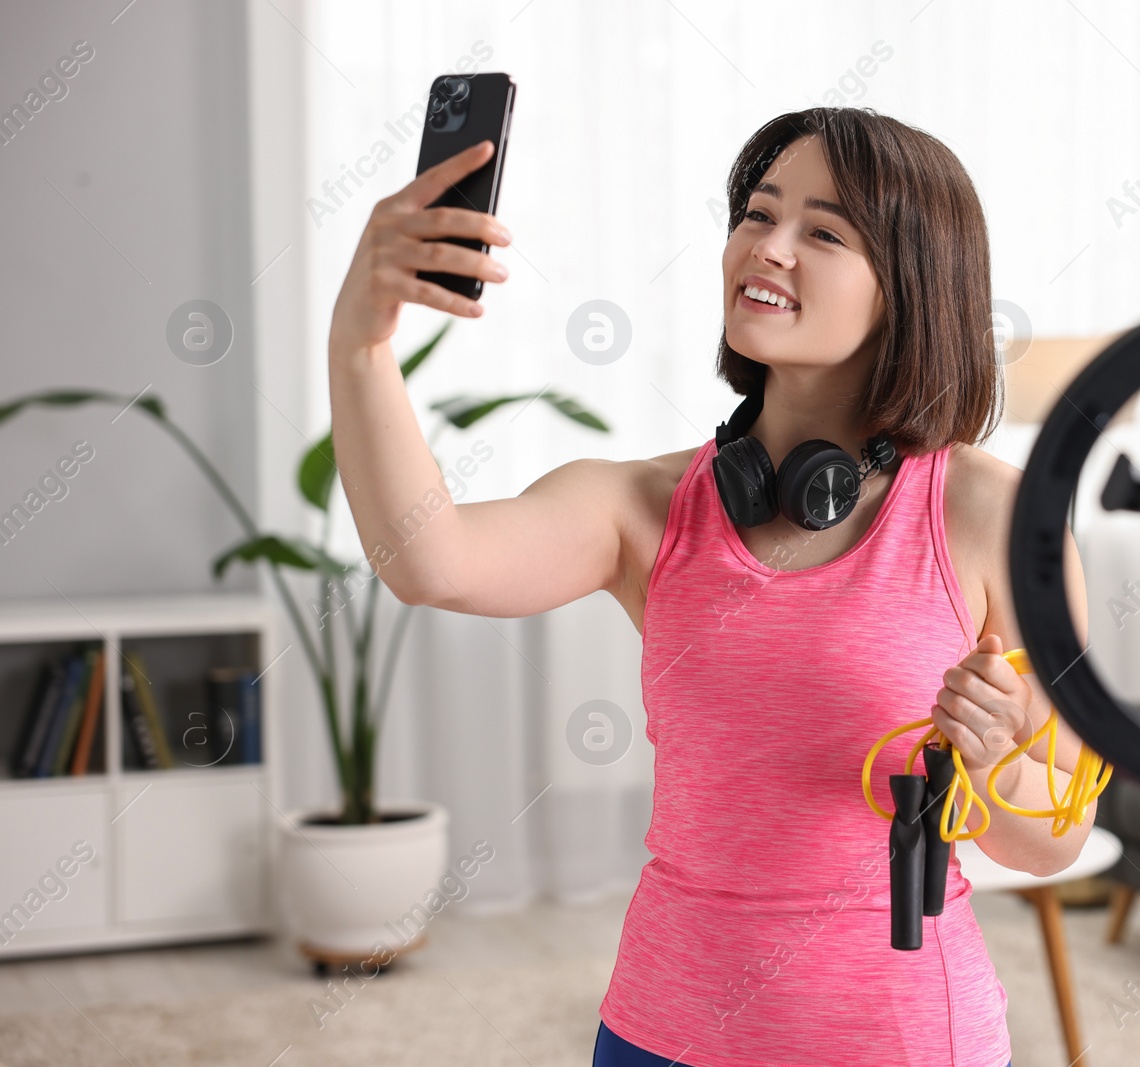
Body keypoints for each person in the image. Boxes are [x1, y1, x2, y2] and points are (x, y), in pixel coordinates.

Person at [328, 106, 1091, 1067]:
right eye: (756, 214)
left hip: (895, 1041)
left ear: (910, 285)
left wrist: (992, 767)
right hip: (661, 1033)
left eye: (823, 231)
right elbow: (427, 558)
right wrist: (358, 345)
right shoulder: (643, 506)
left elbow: (1054, 840)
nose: (767, 248)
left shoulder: (993, 515)